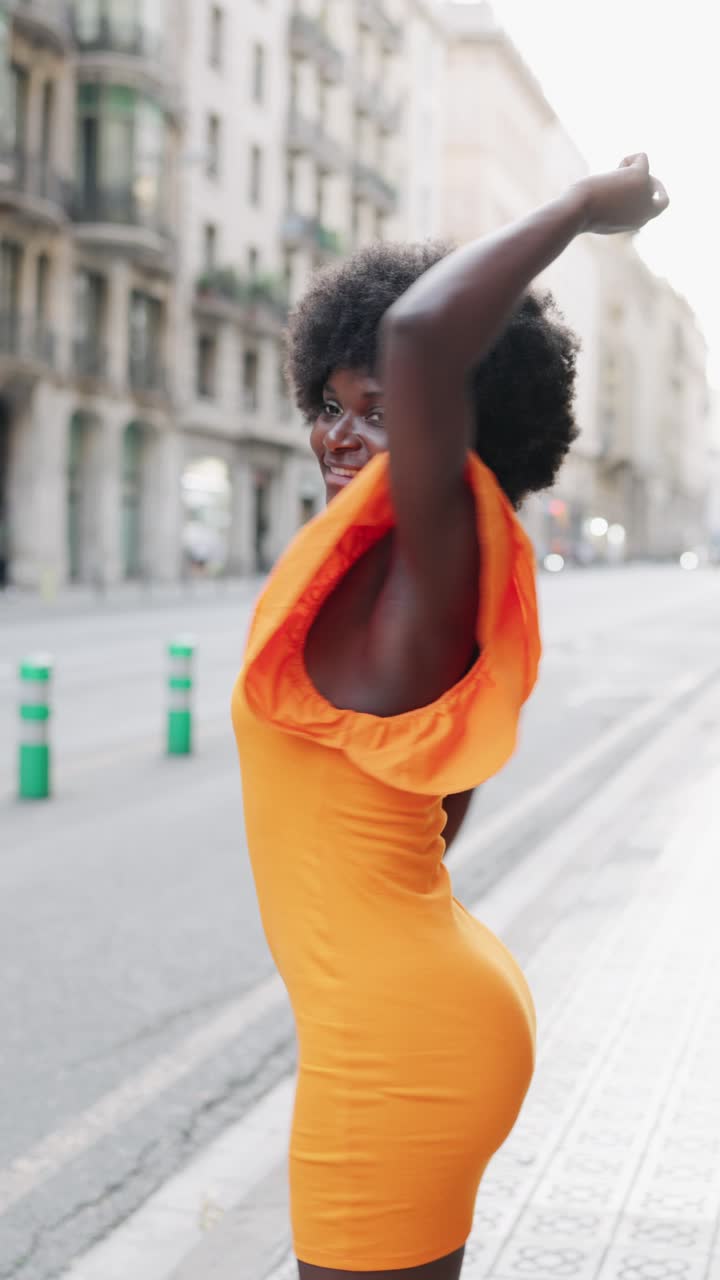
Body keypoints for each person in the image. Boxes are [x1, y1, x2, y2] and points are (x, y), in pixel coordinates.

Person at [231, 154, 668, 1280]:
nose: (339, 434)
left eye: (380, 413)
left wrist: (584, 206)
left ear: (451, 425)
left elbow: (424, 334)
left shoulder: (437, 558)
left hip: (393, 1041)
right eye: (329, 407)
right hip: (407, 1008)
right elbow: (433, 808)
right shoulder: (392, 576)